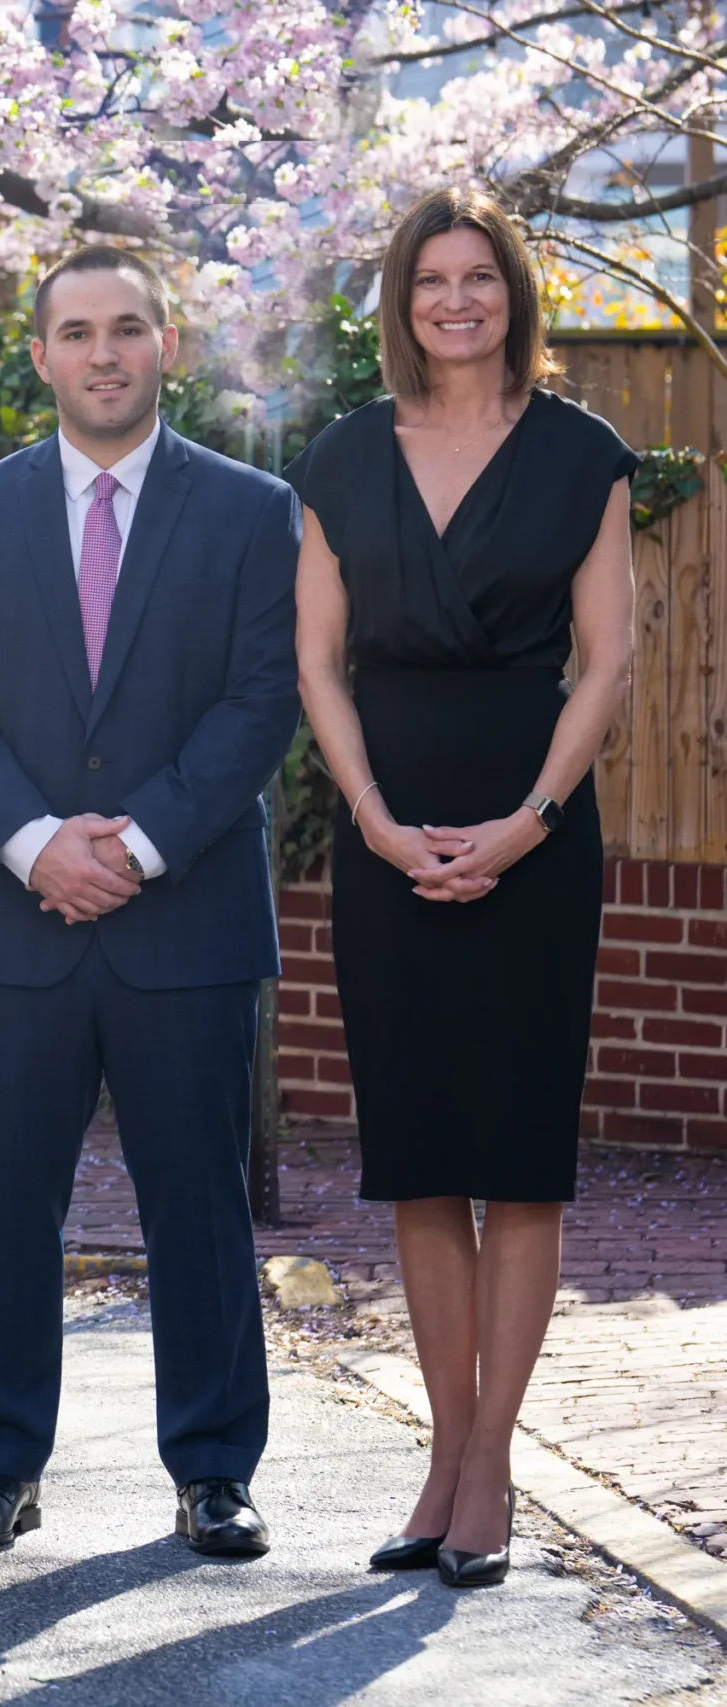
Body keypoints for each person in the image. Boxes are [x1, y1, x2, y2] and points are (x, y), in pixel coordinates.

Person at [0, 245, 301, 1556]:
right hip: (13, 921)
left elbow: (261, 700)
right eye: (76, 332)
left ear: (167, 344)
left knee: (199, 1201)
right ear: (40, 356)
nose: (103, 352)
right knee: (4, 1203)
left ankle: (215, 1468)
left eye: (127, 327)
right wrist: (33, 845)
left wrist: (138, 846)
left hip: (185, 915)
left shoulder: (251, 510)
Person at [290, 189, 635, 1589]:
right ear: (402, 299)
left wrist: (530, 821)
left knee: (520, 1159)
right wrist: (373, 820)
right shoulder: (340, 455)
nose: (455, 300)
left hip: (531, 837)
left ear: (513, 294)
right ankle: (442, 1454)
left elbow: (606, 659)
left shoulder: (583, 454)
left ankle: (492, 1464)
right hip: (386, 836)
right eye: (431, 279)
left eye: (478, 276)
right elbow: (317, 661)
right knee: (421, 1155)